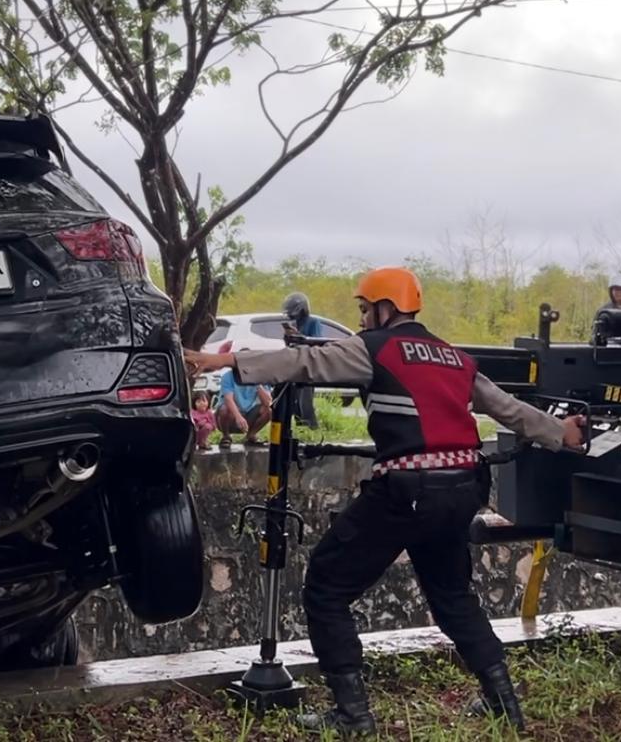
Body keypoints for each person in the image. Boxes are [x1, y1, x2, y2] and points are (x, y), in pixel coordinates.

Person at [185, 267, 584, 735]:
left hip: (406, 490)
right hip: (463, 488)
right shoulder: (455, 357)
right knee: (454, 597)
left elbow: (302, 363)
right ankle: (505, 707)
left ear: (385, 308)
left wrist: (226, 363)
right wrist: (562, 434)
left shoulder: (374, 348)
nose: (360, 320)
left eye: (363, 310)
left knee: (327, 587)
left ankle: (353, 716)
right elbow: (510, 411)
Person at [216, 352, 272, 450]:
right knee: (224, 408)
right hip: (232, 414)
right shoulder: (228, 376)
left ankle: (251, 435)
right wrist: (238, 416)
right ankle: (226, 436)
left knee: (269, 411)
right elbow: (228, 399)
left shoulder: (260, 377)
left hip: (249, 413)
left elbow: (268, 402)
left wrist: (257, 384)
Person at [281, 292, 322, 429]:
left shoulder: (313, 322)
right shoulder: (295, 323)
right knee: (294, 399)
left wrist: (299, 335)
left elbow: (316, 343)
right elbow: (290, 344)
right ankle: (299, 426)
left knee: (305, 400)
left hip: (309, 365)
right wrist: (288, 336)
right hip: (295, 364)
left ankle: (311, 427)